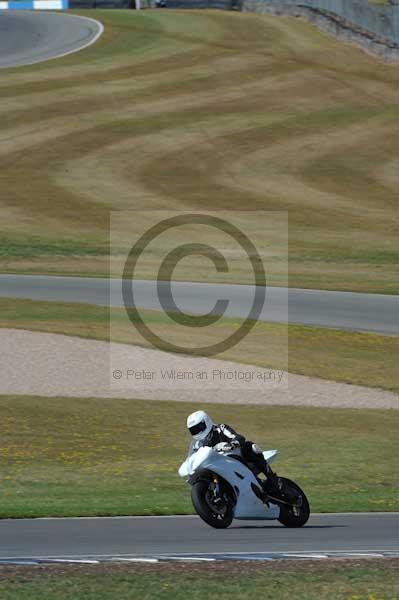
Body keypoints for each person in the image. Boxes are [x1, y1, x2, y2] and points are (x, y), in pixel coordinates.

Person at [186, 410, 282, 499]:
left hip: (235, 459)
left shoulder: (220, 428)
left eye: (199, 428)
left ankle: (273, 479)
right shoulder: (196, 444)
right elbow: (192, 458)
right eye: (194, 430)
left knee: (250, 447)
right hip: (213, 466)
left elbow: (238, 437)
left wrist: (232, 444)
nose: (197, 432)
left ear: (207, 422)